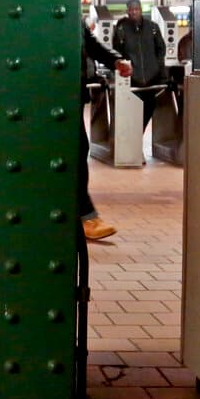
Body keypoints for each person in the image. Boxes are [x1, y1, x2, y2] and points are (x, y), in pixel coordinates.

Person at [81, 24, 132, 240]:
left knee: (79, 150)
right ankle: (85, 216)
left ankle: (84, 216)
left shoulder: (73, 16)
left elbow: (92, 45)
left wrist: (115, 60)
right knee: (75, 151)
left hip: (72, 90)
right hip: (54, 91)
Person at [113, 0, 166, 130]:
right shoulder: (121, 29)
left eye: (136, 9)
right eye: (131, 10)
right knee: (133, 113)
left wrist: (157, 65)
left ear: (141, 10)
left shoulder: (152, 27)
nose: (134, 12)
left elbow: (161, 48)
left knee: (149, 107)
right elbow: (117, 51)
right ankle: (135, 137)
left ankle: (138, 133)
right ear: (128, 11)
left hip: (151, 79)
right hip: (132, 80)